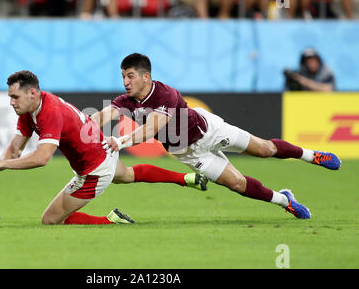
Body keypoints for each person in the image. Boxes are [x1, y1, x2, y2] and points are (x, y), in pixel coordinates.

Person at [92, 53, 342, 220]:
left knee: (265, 149)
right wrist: (79, 126)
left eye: (130, 76)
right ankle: (284, 200)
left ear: (146, 77)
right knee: (237, 184)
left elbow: (150, 129)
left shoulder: (166, 95)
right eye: (123, 76)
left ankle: (311, 155)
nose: (125, 82)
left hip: (209, 131)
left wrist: (119, 141)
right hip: (187, 152)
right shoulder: (125, 101)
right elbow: (102, 115)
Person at [0, 70, 209, 226]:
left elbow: (42, 158)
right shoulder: (29, 110)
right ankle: (186, 178)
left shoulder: (50, 112)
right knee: (127, 175)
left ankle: (111, 222)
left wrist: (4, 163)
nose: (11, 102)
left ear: (32, 93)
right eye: (10, 97)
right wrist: (0, 164)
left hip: (94, 169)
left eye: (15, 96)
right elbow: (15, 149)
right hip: (103, 150)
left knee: (50, 220)